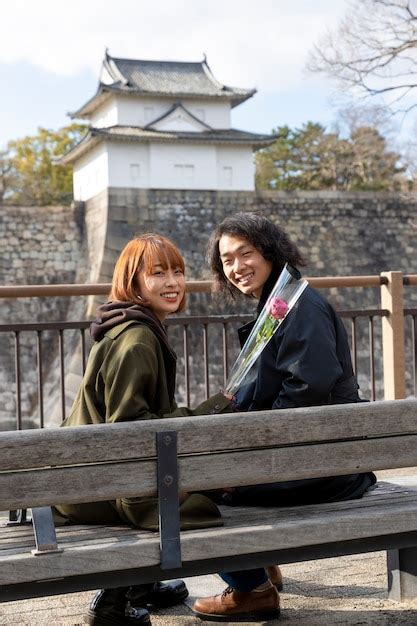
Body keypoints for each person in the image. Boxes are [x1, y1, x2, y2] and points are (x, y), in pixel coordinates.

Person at [192, 212, 376, 622]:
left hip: (324, 466)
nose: (237, 266)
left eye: (246, 253)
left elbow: (306, 390)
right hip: (318, 454)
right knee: (205, 470)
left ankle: (251, 589)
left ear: (270, 252)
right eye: (227, 260)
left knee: (191, 490)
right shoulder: (282, 300)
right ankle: (260, 567)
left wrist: (247, 457)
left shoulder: (300, 306)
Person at [54, 233, 231, 626]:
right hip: (95, 488)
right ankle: (114, 602)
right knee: (210, 498)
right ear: (133, 282)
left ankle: (142, 586)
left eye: (179, 272)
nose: (173, 282)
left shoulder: (129, 325)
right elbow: (129, 433)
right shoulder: (137, 340)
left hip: (83, 475)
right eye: (158, 273)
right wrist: (205, 414)